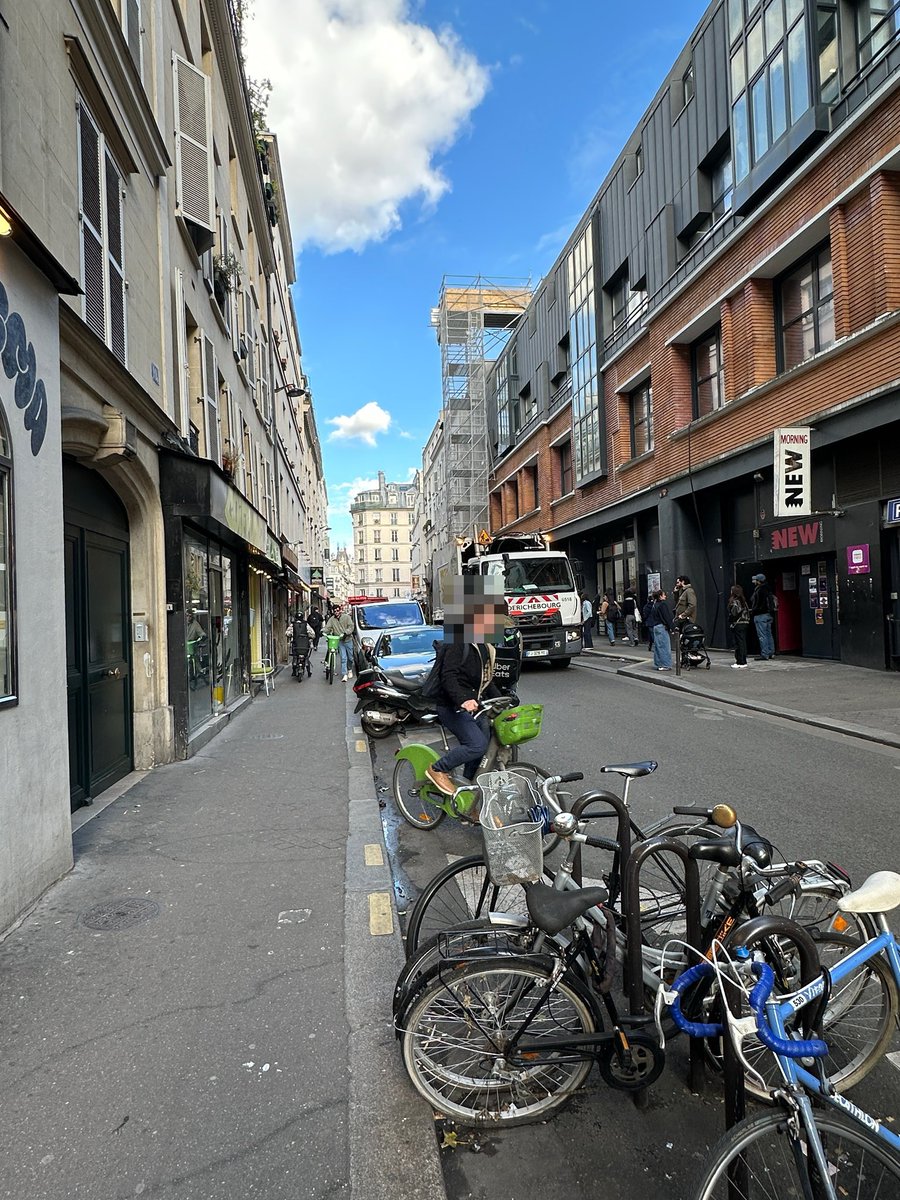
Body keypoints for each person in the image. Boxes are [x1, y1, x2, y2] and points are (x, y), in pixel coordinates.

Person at [425, 599, 507, 797]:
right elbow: (448, 676)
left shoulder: (485, 646)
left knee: (485, 750)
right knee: (476, 745)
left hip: (475, 707)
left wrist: (504, 701)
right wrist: (462, 700)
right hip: (452, 707)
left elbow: (486, 681)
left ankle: (468, 792)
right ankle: (438, 769)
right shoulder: (458, 640)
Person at [644, 588, 675, 671]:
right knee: (665, 646)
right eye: (664, 594)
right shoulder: (663, 605)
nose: (665, 596)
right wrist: (672, 628)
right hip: (661, 627)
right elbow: (667, 617)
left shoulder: (655, 604)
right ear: (660, 596)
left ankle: (658, 663)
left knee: (658, 646)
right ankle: (665, 665)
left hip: (656, 626)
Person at [323, 603, 355, 680]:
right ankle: (344, 674)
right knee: (343, 658)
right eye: (335, 611)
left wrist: (346, 633)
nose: (336, 612)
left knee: (350, 658)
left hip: (348, 640)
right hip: (339, 641)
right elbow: (327, 628)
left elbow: (351, 626)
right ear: (333, 612)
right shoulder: (332, 619)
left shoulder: (346, 617)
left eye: (338, 610)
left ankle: (349, 669)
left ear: (340, 610)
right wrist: (322, 631)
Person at [749, 573, 776, 661]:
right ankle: (771, 652)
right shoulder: (768, 588)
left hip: (760, 615)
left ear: (759, 581)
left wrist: (753, 610)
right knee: (769, 634)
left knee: (762, 635)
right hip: (769, 614)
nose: (754, 582)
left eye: (756, 580)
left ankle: (765, 654)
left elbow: (758, 603)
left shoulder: (760, 590)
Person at [727, 584, 751, 669]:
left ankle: (740, 661)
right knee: (742, 642)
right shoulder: (743, 601)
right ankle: (743, 660)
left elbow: (734, 613)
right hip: (745, 622)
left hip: (738, 623)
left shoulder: (735, 601)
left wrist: (731, 620)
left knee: (738, 643)